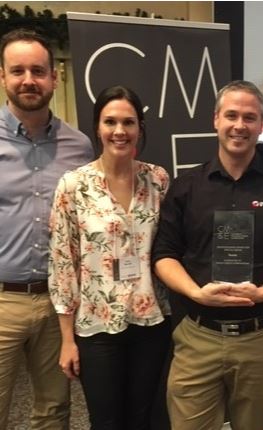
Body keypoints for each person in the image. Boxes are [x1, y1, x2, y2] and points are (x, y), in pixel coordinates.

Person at [151, 80, 263, 430]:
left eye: (250, 117)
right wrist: (194, 292)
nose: (239, 125)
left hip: (260, 338)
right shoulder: (186, 186)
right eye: (231, 115)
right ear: (216, 119)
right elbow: (163, 254)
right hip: (198, 335)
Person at [48, 85, 171, 429]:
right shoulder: (73, 185)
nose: (120, 131)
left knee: (144, 417)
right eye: (110, 122)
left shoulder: (158, 180)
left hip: (151, 322)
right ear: (97, 127)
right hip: (97, 327)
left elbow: (170, 249)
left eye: (128, 122)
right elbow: (62, 264)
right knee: (106, 420)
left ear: (140, 128)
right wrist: (67, 340)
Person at [0, 28, 93, 429]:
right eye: (17, 71)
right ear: (2, 77)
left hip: (60, 304)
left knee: (54, 409)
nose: (28, 80)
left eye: (37, 71)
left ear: (54, 77)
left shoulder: (81, 146)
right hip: (2, 300)